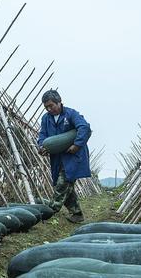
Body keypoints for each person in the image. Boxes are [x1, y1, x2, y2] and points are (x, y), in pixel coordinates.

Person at [37, 90, 91, 223]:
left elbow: (84, 127)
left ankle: (50, 212)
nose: (49, 109)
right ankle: (77, 214)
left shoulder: (71, 114)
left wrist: (77, 145)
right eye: (47, 107)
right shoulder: (46, 118)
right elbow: (42, 135)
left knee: (63, 184)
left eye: (51, 106)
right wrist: (41, 146)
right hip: (57, 157)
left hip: (73, 156)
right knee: (65, 185)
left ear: (59, 102)